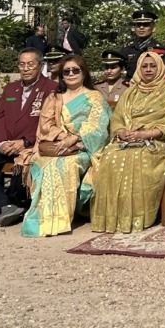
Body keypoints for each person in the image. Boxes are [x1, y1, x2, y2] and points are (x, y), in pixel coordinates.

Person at [85, 51, 165, 233]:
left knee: (139, 157)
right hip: (128, 138)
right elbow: (118, 118)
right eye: (144, 66)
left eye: (153, 66)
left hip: (156, 140)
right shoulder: (130, 92)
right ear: (138, 68)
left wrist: (147, 134)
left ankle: (137, 218)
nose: (149, 70)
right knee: (110, 156)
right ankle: (112, 218)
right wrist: (121, 132)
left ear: (160, 67)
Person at [19, 54, 110, 237]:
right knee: (44, 164)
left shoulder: (94, 97)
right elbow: (46, 125)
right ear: (61, 75)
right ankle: (44, 219)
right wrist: (62, 136)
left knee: (65, 165)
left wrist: (74, 139)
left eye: (75, 70)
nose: (70, 74)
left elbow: (97, 127)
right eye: (66, 71)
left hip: (83, 148)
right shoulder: (54, 97)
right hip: (56, 145)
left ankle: (60, 220)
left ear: (84, 73)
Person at [0, 48, 58, 228]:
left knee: (22, 165)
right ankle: (2, 206)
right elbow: (0, 117)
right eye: (22, 64)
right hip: (7, 142)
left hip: (31, 145)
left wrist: (25, 142)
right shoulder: (11, 88)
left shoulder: (51, 88)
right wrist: (3, 141)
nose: (25, 68)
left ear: (40, 66)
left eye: (30, 64)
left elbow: (49, 122)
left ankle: (14, 206)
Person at [120, 9, 162, 79]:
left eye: (145, 25)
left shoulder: (160, 49)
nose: (141, 27)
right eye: (138, 25)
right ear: (134, 28)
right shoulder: (127, 48)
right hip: (131, 87)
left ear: (153, 28)